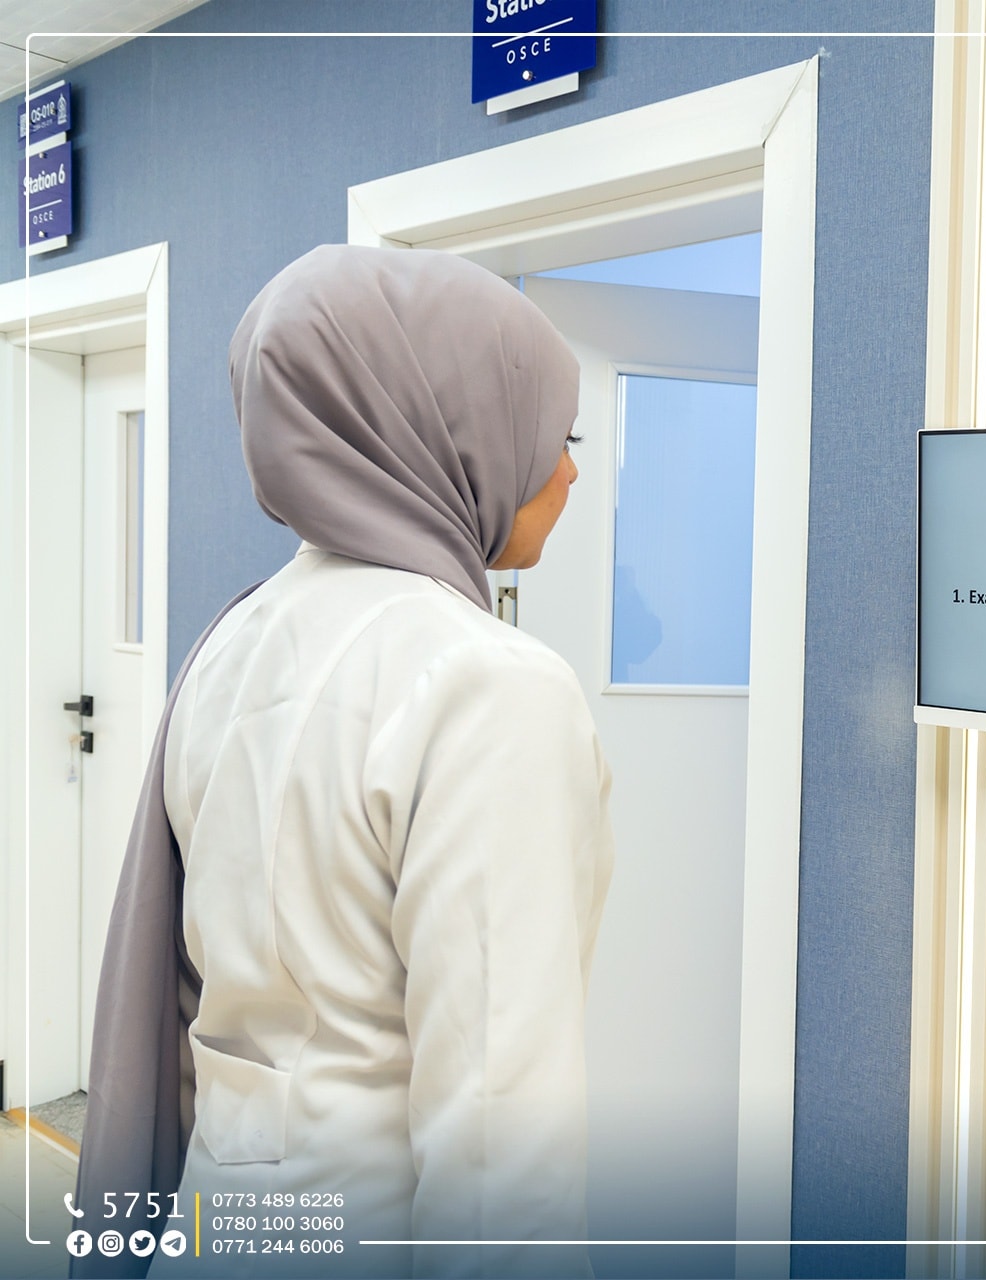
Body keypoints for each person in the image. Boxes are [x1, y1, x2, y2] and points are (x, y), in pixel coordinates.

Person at [76, 245, 613, 1279]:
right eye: (558, 434)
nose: (571, 471)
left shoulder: (228, 644)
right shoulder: (491, 685)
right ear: (451, 426)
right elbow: (500, 1154)